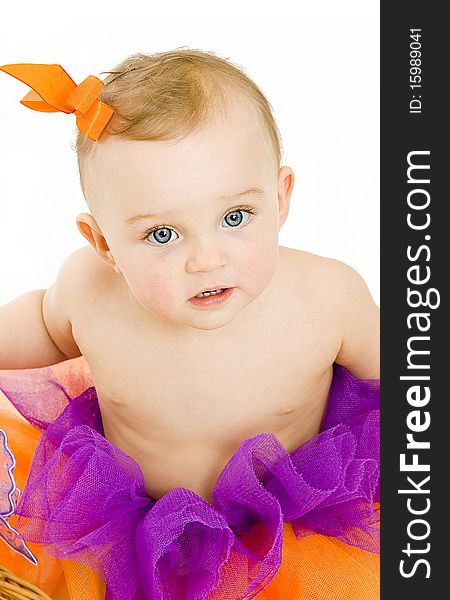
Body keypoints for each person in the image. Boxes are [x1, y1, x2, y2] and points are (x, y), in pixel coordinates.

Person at [0, 49, 380, 599]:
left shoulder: (327, 297)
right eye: (162, 234)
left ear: (280, 198)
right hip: (133, 528)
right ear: (103, 243)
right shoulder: (89, 291)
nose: (207, 260)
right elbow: (39, 323)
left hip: (291, 531)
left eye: (234, 218)